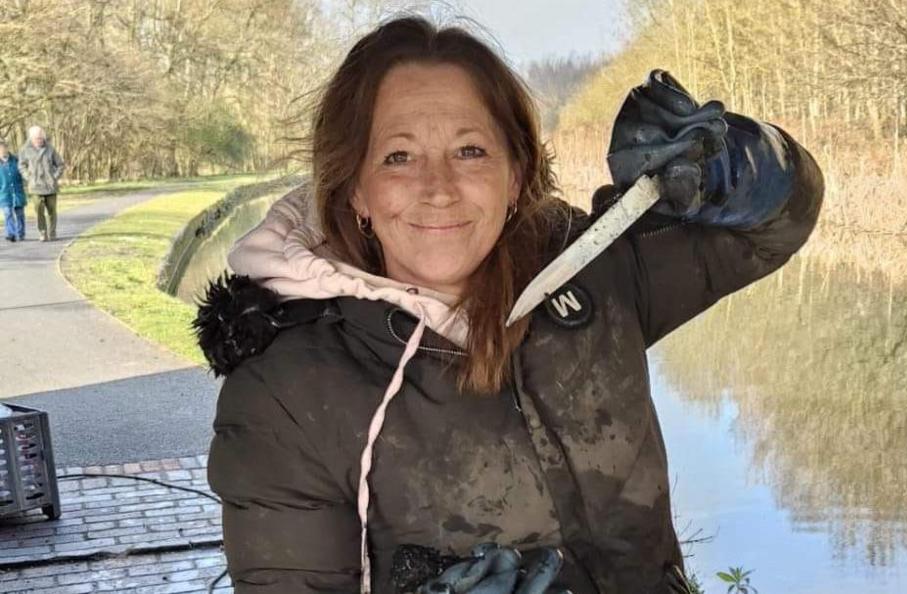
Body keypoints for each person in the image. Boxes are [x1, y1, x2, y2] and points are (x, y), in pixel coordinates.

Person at [195, 16, 824, 594]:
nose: (438, 189)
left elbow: (776, 223)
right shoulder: (283, 391)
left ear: (517, 173)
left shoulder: (593, 272)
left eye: (470, 150)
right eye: (398, 156)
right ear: (355, 188)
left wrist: (732, 164)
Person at [18, 125, 65, 241]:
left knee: (52, 211)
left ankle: (52, 233)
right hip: (35, 186)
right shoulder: (25, 150)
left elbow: (60, 165)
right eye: (37, 138)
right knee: (38, 210)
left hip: (50, 186)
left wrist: (54, 177)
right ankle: (42, 232)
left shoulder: (50, 149)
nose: (39, 140)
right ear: (31, 138)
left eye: (41, 138)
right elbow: (21, 165)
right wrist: (28, 176)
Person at [0, 139, 27, 242]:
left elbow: (23, 173)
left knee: (20, 214)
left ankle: (21, 233)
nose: (2, 150)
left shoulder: (16, 160)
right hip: (4, 194)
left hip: (18, 192)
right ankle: (11, 234)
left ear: (7, 148)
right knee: (8, 213)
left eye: (3, 147)